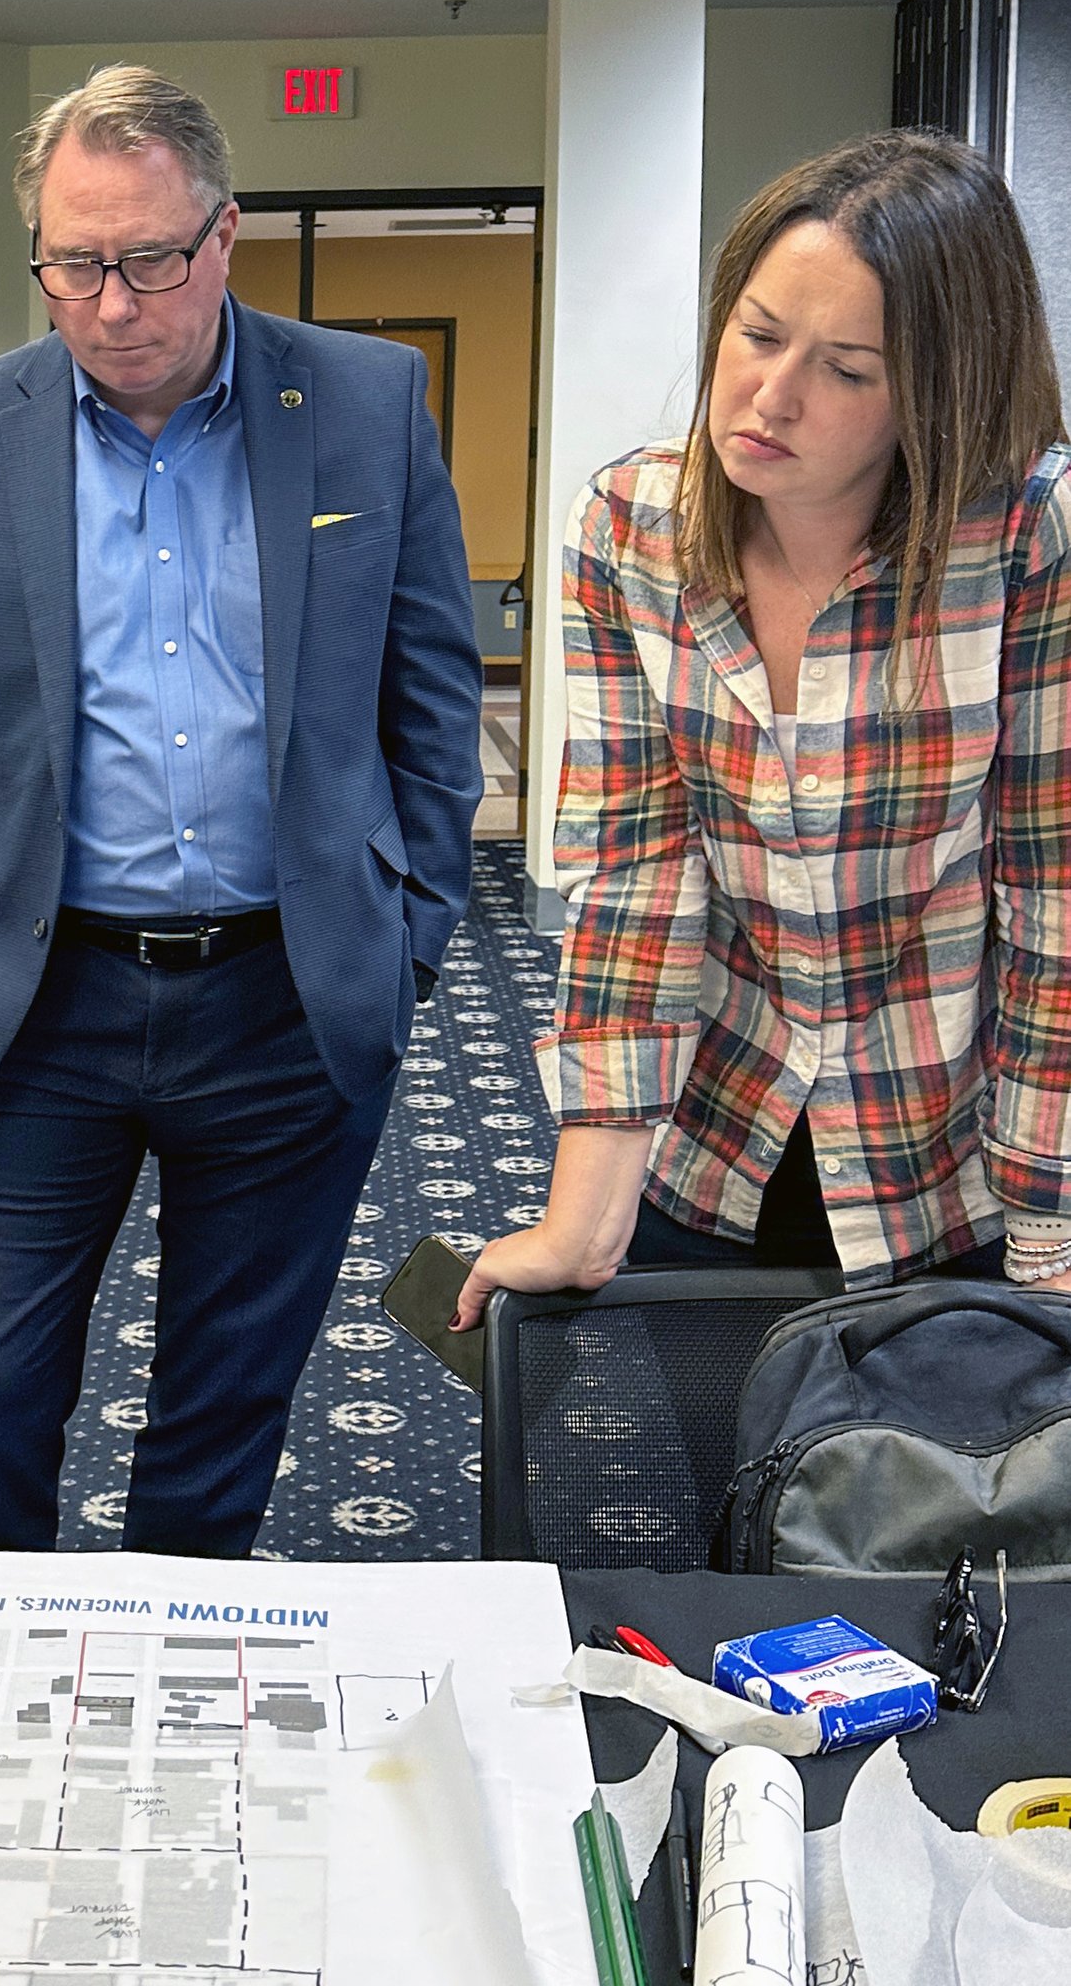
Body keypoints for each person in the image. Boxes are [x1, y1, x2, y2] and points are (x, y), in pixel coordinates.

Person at [0, 64, 483, 1555]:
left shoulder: (366, 403)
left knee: (220, 1415)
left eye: (149, 260)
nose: (112, 303)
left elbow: (429, 694)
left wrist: (406, 938)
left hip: (284, 996)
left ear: (223, 234)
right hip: (31, 1001)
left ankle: (171, 1673)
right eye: (73, 265)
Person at [455, 131, 1071, 1330]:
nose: (771, 397)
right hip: (712, 1130)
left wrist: (1047, 1226)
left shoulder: (1025, 535)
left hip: (955, 1161)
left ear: (938, 393)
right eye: (756, 334)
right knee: (708, 1444)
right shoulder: (630, 525)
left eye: (847, 370)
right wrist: (582, 1218)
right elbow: (635, 874)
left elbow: (1052, 895)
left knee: (931, 1456)